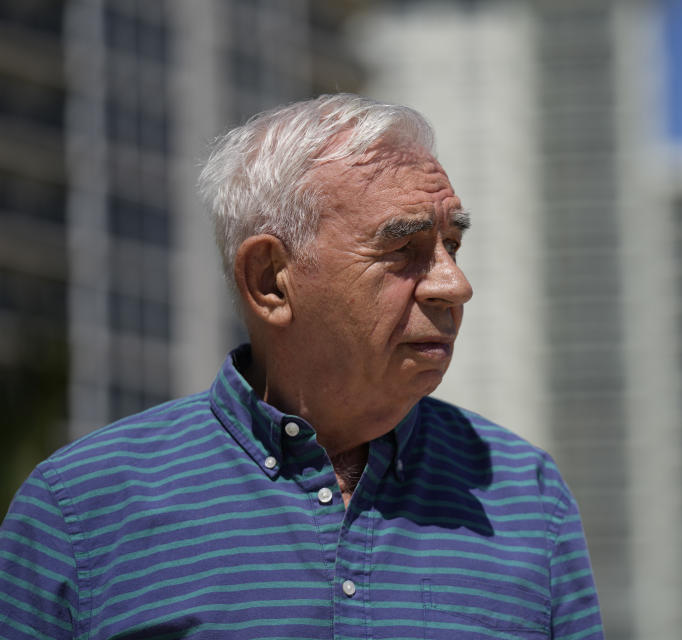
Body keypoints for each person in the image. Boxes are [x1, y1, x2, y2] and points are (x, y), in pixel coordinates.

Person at [0, 94, 603, 639]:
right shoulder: (80, 508)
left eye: (453, 246)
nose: (455, 284)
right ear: (270, 281)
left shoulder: (526, 493)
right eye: (404, 250)